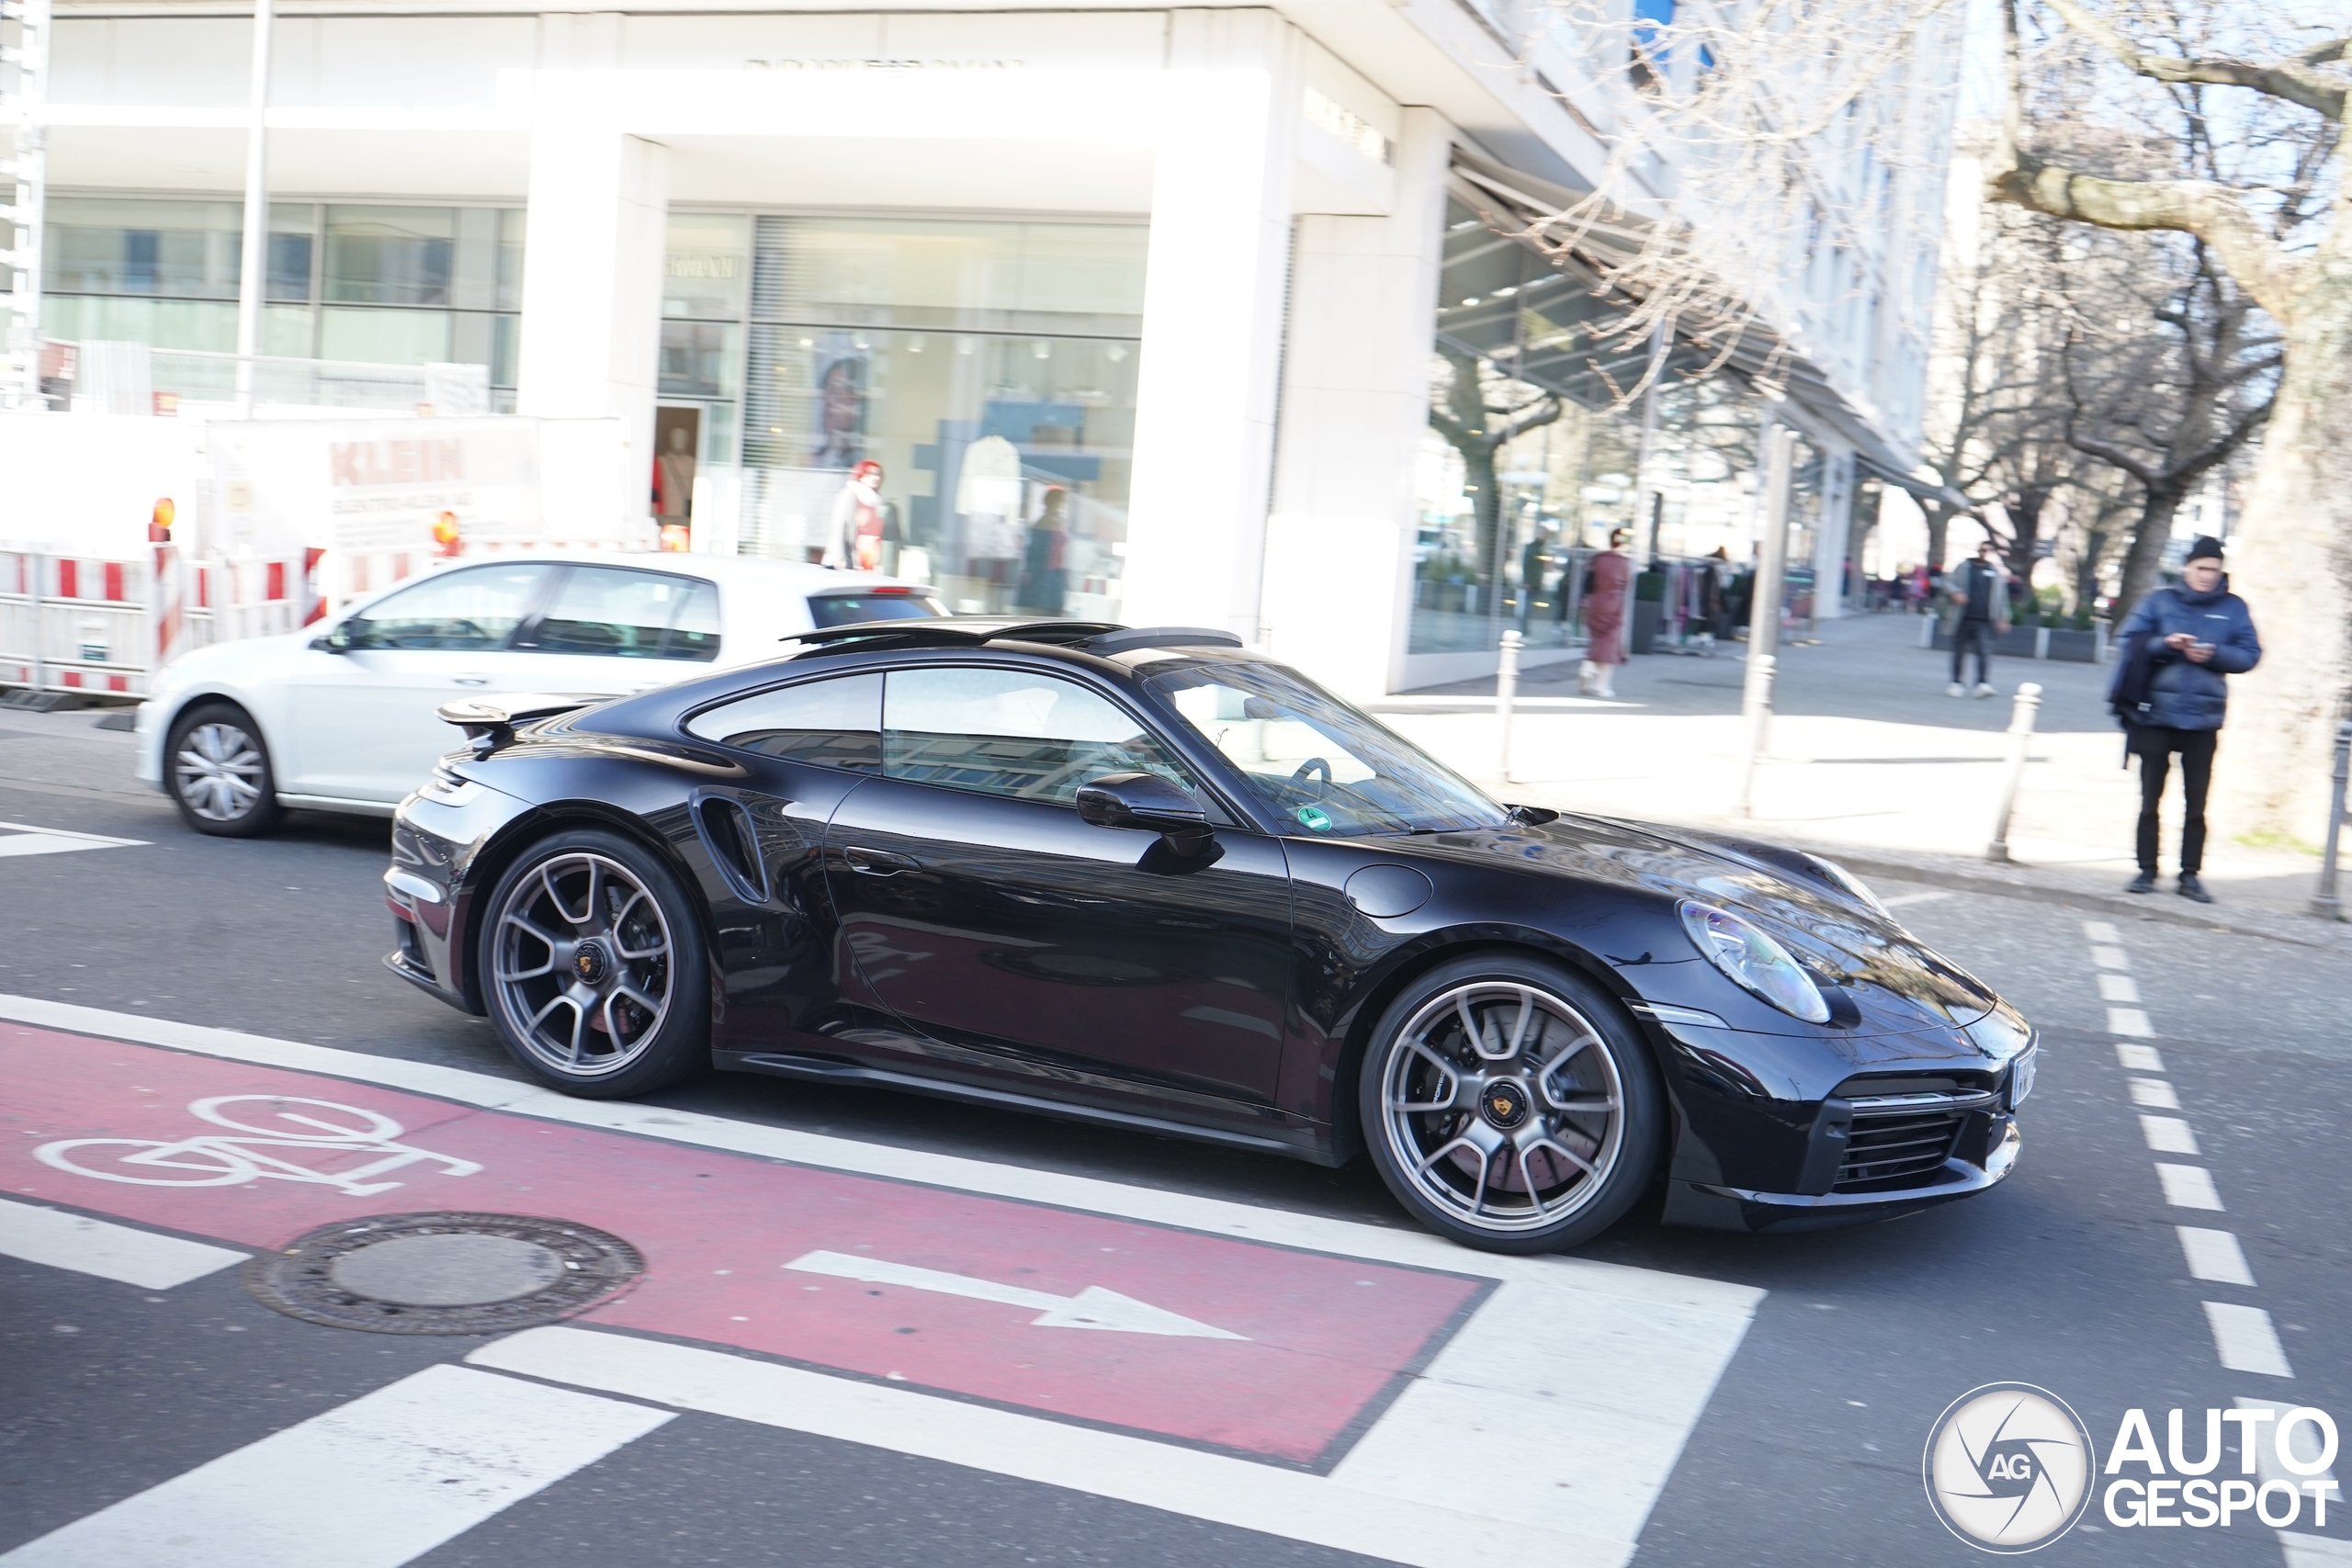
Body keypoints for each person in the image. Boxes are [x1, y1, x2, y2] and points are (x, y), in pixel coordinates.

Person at [2110, 536, 2261, 904]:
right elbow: (2126, 639)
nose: (2208, 576)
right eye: (2201, 568)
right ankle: (2146, 870)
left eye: (2214, 569)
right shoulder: (2159, 600)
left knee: (2197, 805)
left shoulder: (2234, 607)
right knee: (2150, 801)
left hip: (2204, 720)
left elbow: (2250, 654)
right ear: (2186, 568)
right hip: (2156, 716)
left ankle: (2190, 876)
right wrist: (2166, 644)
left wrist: (2214, 654)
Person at [1945, 538, 2011, 697]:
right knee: (1959, 652)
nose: (1985, 553)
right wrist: (1955, 592)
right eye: (1982, 550)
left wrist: (2004, 617)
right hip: (1963, 617)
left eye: (1988, 551)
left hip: (1984, 620)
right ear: (1978, 551)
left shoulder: (1995, 573)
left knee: (1984, 652)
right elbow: (1947, 582)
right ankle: (1956, 683)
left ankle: (1982, 684)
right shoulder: (1964, 567)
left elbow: (2002, 597)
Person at [1579, 528, 1633, 697]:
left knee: (1596, 641)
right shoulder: (1625, 563)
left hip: (1595, 601)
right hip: (1614, 603)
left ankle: (1587, 667)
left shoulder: (1597, 559)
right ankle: (1601, 686)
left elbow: (1588, 583)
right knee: (1610, 646)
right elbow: (1626, 585)